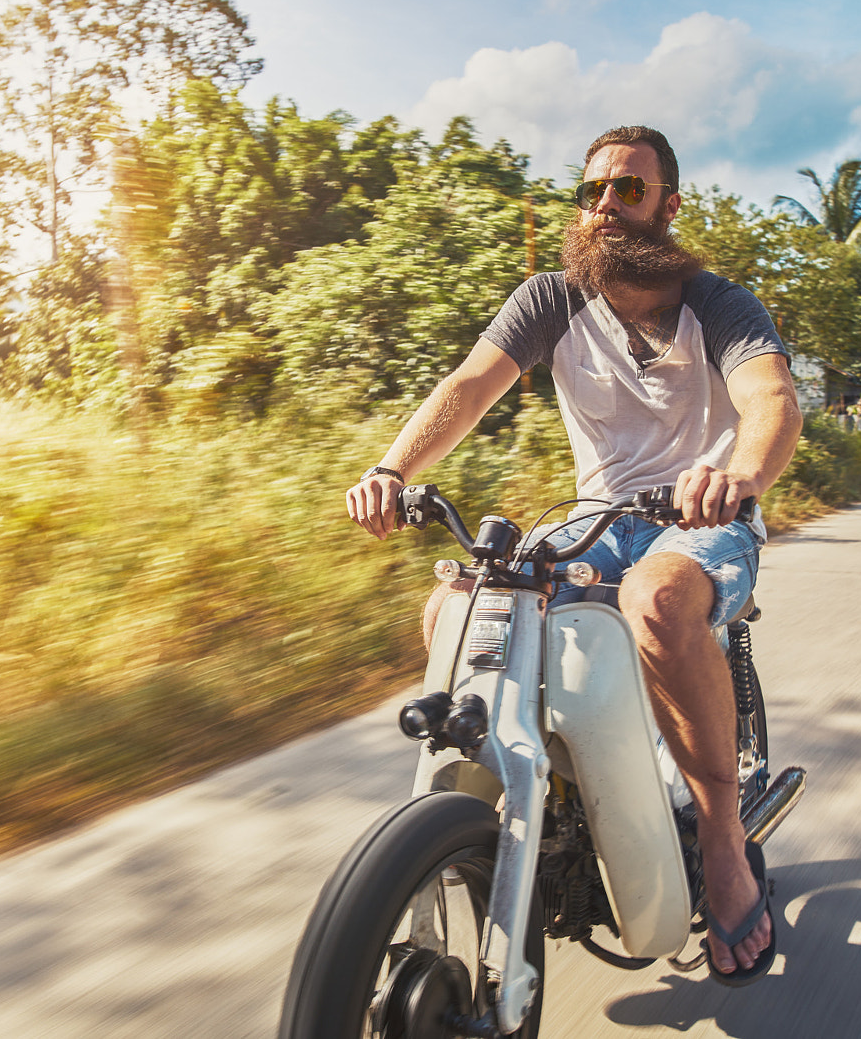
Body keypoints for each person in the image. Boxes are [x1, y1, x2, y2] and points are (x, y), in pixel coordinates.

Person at [344, 125, 802, 984]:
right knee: (456, 607)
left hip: (699, 514)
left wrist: (737, 474)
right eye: (592, 190)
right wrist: (391, 467)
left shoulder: (719, 303)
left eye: (628, 190)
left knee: (661, 599)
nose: (603, 206)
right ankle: (524, 801)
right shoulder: (550, 299)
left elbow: (771, 398)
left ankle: (721, 836)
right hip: (592, 518)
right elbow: (468, 387)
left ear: (667, 204)